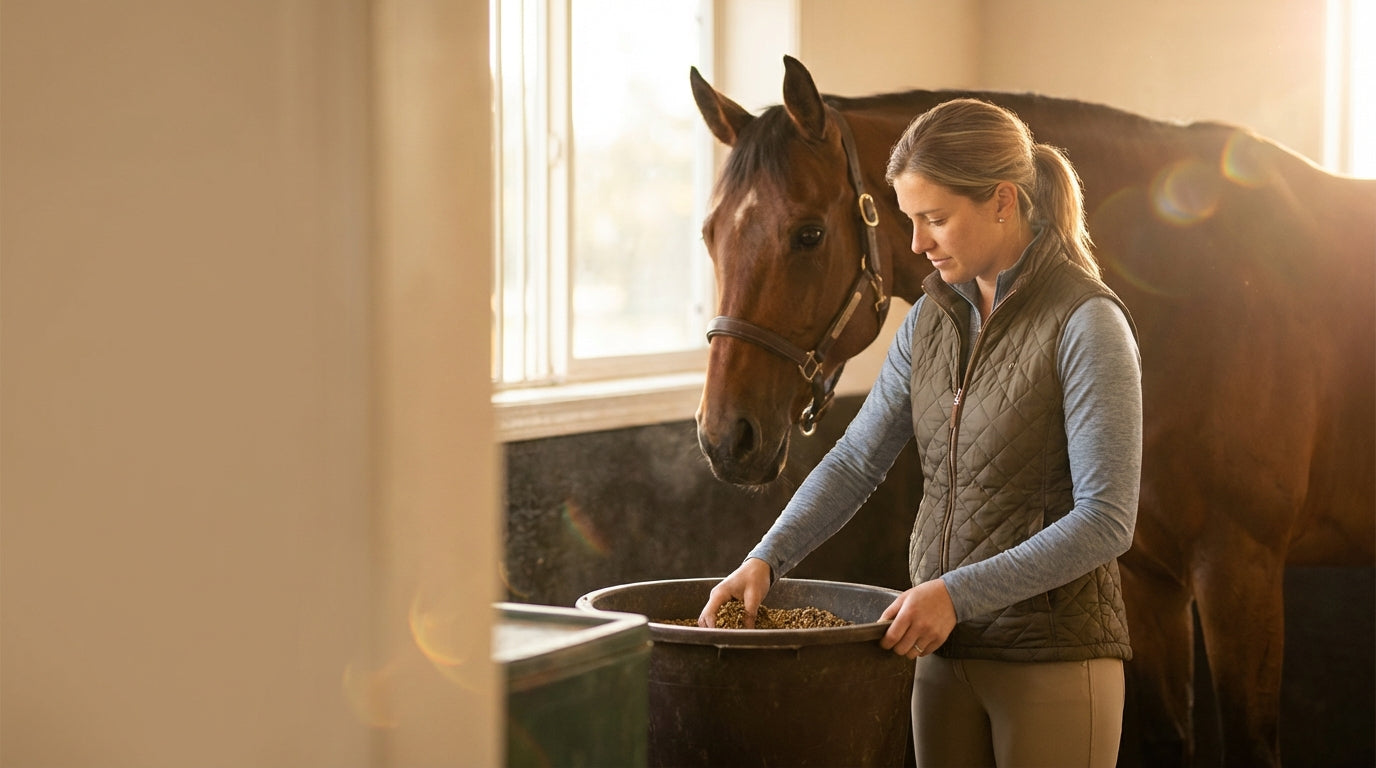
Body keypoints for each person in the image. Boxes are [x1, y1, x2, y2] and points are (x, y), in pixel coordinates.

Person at [697, 98, 1143, 768]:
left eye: (934, 219)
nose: (915, 244)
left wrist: (954, 595)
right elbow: (855, 460)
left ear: (1001, 202)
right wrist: (765, 558)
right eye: (910, 219)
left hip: (1052, 661)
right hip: (939, 656)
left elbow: (1107, 521)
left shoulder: (1087, 323)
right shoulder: (928, 321)